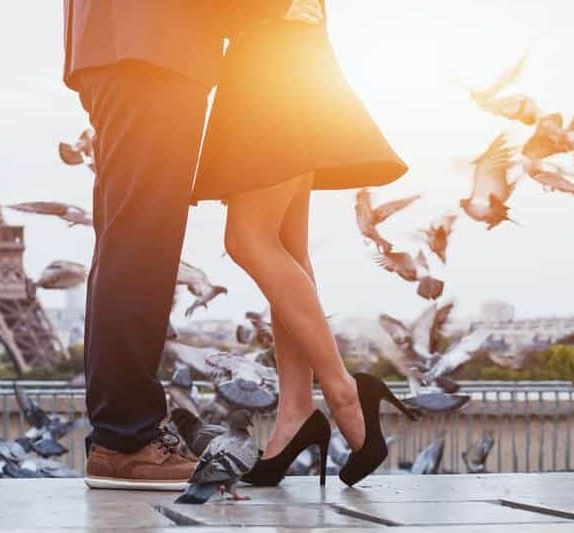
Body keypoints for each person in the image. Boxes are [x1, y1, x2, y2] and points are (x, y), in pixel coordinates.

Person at [62, 0, 297, 490]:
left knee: (127, 240)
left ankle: (122, 435)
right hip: (154, 44)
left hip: (124, 40)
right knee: (142, 245)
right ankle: (125, 442)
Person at [191, 0, 416, 487]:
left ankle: (342, 390)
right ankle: (295, 409)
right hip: (279, 54)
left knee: (248, 239)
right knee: (285, 248)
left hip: (273, 56)